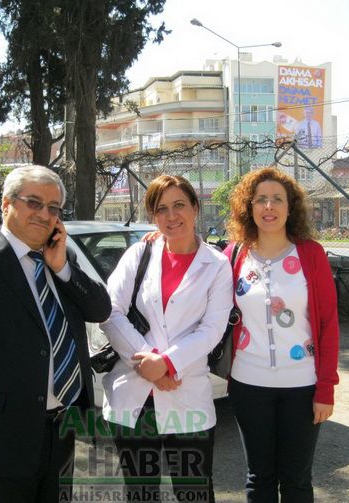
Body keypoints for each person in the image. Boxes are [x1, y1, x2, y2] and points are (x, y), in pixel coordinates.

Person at [0, 165, 111, 502]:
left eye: (53, 208)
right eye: (34, 203)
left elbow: (100, 309)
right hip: (4, 436)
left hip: (62, 430)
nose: (44, 214)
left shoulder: (61, 256)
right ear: (6, 204)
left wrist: (61, 267)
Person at [100, 175, 233, 503]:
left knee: (194, 492)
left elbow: (212, 329)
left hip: (187, 394)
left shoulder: (216, 265)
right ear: (153, 216)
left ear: (195, 208)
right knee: (141, 493)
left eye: (179, 206)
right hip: (134, 394)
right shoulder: (138, 254)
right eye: (161, 209)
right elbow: (110, 311)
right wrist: (150, 361)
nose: (171, 216)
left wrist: (168, 363)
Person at [225, 166, 339, 502]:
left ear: (291, 208)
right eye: (260, 199)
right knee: (258, 479)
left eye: (277, 199)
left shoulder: (311, 254)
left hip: (302, 387)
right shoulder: (233, 256)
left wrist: (326, 388)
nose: (269, 207)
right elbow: (193, 260)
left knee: (297, 480)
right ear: (249, 207)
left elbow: (328, 324)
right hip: (249, 384)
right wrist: (161, 238)